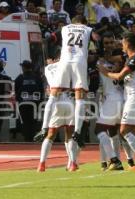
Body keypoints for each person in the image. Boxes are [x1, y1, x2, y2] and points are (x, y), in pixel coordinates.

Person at [40, 15, 98, 148]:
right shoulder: (87, 29)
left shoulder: (64, 28)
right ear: (84, 22)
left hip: (64, 62)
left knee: (53, 95)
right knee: (80, 98)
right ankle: (77, 131)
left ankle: (44, 127)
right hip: (79, 62)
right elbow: (96, 38)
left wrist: (49, 57)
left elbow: (48, 40)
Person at [98, 32, 135, 171]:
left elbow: (119, 76)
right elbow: (113, 57)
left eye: (123, 43)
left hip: (134, 97)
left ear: (127, 44)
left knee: (124, 130)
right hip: (130, 97)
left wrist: (105, 72)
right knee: (130, 131)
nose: (121, 45)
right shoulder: (131, 57)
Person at [36, 56, 78, 172]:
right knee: (69, 133)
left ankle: (42, 164)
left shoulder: (48, 68)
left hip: (56, 102)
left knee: (50, 134)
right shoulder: (68, 65)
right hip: (69, 101)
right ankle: (73, 163)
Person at [95, 31, 124, 171]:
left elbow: (117, 63)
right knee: (113, 131)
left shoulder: (119, 57)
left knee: (100, 130)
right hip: (107, 97)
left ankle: (114, 160)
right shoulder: (100, 58)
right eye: (106, 43)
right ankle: (110, 161)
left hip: (113, 97)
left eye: (111, 42)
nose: (109, 45)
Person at [15, 60, 44, 142]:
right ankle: (32, 137)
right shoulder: (37, 78)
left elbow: (16, 90)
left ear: (23, 68)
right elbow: (41, 90)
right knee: (33, 121)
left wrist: (19, 99)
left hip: (23, 104)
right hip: (35, 104)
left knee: (25, 121)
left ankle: (27, 138)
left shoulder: (20, 78)